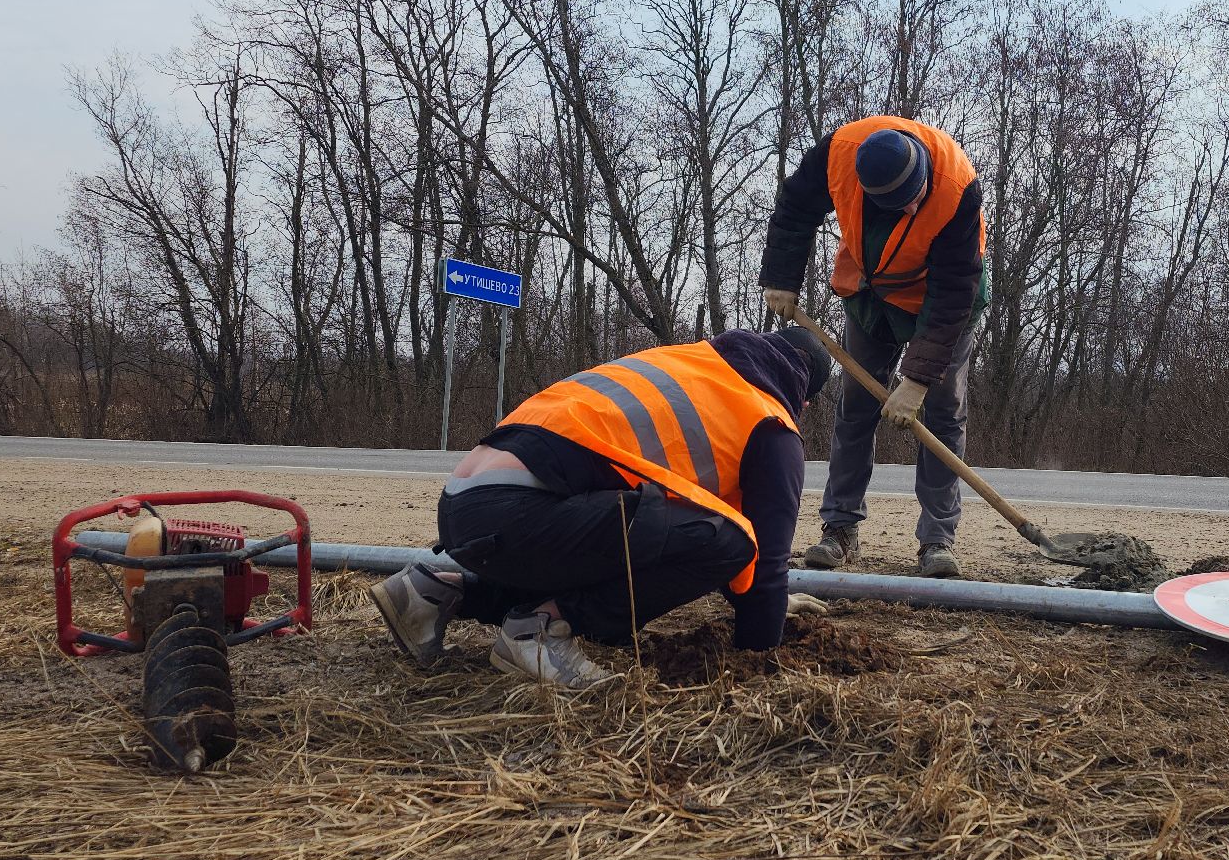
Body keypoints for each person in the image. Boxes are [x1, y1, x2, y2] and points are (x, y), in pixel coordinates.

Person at [370, 327, 834, 687]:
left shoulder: (693, 365)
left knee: (645, 539)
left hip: (464, 508)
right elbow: (756, 554)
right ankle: (542, 629)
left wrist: (761, 599)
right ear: (805, 400)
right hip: (520, 515)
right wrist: (760, 652)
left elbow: (696, 532)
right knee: (729, 543)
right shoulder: (769, 422)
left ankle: (436, 591)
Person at [759, 115, 988, 579]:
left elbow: (952, 294)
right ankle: (840, 528)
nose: (909, 211)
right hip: (872, 295)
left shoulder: (957, 188)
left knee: (944, 414)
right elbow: (797, 205)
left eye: (913, 202)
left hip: (941, 305)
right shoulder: (839, 156)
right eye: (896, 207)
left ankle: (937, 539)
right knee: (857, 406)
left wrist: (918, 380)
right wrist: (782, 278)